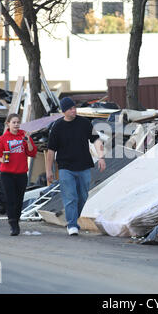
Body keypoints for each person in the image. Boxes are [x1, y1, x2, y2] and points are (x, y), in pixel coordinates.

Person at [46, 97, 106, 236]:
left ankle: (74, 217)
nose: (74, 110)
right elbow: (51, 151)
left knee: (83, 196)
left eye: (74, 107)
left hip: (83, 166)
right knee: (70, 196)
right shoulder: (57, 127)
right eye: (71, 109)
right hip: (66, 167)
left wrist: (101, 157)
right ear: (64, 111)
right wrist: (49, 170)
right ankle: (72, 224)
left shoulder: (84, 123)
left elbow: (96, 140)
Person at [0, 113, 38, 236]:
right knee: (11, 199)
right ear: (8, 124)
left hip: (21, 173)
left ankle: (16, 220)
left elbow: (32, 153)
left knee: (19, 199)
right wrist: (2, 159)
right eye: (13, 122)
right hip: (7, 173)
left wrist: (28, 140)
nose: (16, 125)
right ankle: (13, 224)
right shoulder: (3, 139)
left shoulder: (24, 136)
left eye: (18, 122)